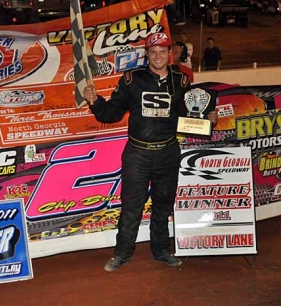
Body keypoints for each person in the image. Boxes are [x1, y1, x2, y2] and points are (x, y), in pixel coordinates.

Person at [83, 32, 217, 272]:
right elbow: (111, 114)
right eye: (153, 51)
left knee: (163, 205)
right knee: (131, 206)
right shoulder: (132, 79)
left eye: (163, 51)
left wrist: (208, 119)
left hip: (168, 153)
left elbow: (189, 116)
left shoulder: (181, 80)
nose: (158, 55)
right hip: (137, 154)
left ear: (170, 53)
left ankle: (162, 250)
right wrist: (95, 101)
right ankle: (122, 254)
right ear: (147, 55)